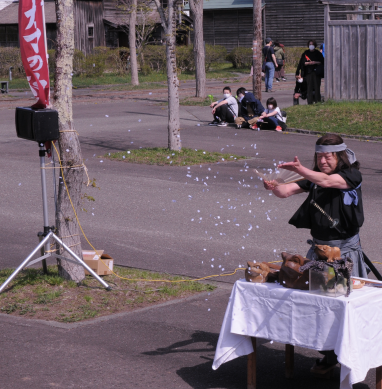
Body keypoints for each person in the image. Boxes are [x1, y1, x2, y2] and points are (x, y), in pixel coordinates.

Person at [263, 133, 368, 373]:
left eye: (328, 157)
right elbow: (285, 191)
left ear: (340, 156)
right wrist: (272, 186)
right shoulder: (314, 178)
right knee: (321, 308)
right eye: (319, 157)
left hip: (344, 253)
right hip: (318, 251)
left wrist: (300, 169)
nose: (322, 161)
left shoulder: (352, 175)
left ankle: (354, 360)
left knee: (346, 307)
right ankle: (331, 357)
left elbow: (327, 182)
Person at [297, 40, 324, 104]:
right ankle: (310, 101)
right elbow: (302, 63)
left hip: (316, 72)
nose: (311, 46)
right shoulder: (306, 53)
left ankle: (318, 101)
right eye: (310, 44)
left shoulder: (318, 53)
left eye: (312, 44)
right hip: (308, 72)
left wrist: (315, 62)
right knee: (309, 87)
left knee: (317, 87)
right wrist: (309, 63)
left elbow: (322, 62)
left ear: (315, 45)